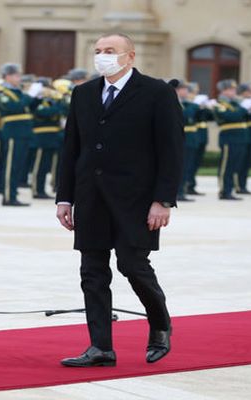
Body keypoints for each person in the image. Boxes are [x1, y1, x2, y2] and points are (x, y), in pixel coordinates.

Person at [56, 33, 183, 367]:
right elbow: (72, 148)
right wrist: (65, 197)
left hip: (136, 199)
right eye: (98, 51)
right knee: (92, 271)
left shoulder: (157, 92)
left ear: (130, 56)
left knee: (132, 265)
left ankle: (160, 325)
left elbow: (171, 150)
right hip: (91, 196)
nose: (103, 56)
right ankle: (100, 347)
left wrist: (163, 200)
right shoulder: (84, 93)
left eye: (110, 51)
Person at [0, 63, 34, 206]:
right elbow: (12, 107)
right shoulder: (1, 93)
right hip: (12, 133)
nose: (19, 78)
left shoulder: (19, 92)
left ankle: (13, 194)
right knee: (10, 166)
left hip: (23, 132)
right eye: (16, 75)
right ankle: (9, 196)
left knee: (18, 166)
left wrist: (36, 97)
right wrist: (29, 96)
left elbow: (30, 108)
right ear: (7, 76)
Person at [213, 79, 249, 200]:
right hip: (229, 137)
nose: (234, 92)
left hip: (240, 137)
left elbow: (246, 117)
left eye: (234, 89)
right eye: (231, 89)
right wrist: (244, 109)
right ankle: (224, 191)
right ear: (223, 90)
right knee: (226, 166)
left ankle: (230, 189)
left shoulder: (235, 103)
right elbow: (230, 116)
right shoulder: (220, 103)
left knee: (235, 165)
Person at [171, 79, 199, 202]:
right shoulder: (172, 101)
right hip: (179, 138)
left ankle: (182, 190)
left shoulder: (186, 103)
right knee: (180, 167)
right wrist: (194, 105)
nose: (187, 91)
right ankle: (177, 192)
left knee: (187, 167)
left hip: (190, 138)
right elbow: (184, 116)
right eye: (184, 89)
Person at [235, 83, 251, 195]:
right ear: (242, 93)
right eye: (249, 92)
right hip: (243, 135)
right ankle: (237, 186)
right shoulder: (239, 104)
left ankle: (243, 185)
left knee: (247, 163)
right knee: (240, 162)